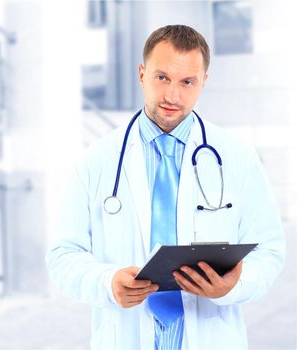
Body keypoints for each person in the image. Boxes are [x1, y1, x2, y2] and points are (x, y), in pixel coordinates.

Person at [46, 25, 285, 350]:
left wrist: (233, 285)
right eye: (162, 78)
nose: (173, 96)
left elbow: (268, 251)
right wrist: (107, 283)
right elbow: (62, 254)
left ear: (203, 83)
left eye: (187, 82)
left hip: (209, 335)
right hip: (126, 335)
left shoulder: (237, 158)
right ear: (142, 74)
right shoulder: (97, 160)